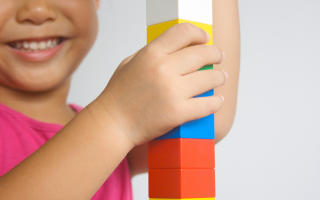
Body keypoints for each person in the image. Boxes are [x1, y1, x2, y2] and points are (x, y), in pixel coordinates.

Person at [0, 0, 240, 199]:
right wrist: (116, 120)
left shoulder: (118, 143)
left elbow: (206, 118)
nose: (37, 12)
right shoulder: (115, 126)